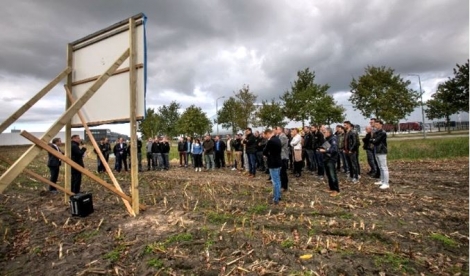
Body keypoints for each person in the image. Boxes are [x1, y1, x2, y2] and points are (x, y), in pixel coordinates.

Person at [318, 127, 340, 197]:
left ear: (329, 132)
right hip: (326, 159)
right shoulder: (328, 139)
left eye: (325, 132)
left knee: (332, 175)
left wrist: (324, 151)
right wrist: (320, 148)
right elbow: (324, 146)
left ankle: (336, 190)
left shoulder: (333, 139)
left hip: (331, 159)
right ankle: (331, 188)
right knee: (328, 174)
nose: (324, 134)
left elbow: (334, 150)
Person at [263, 129, 282, 205]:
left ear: (268, 133)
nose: (265, 136)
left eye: (265, 134)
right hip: (278, 161)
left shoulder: (270, 141)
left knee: (275, 181)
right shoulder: (277, 139)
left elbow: (265, 151)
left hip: (273, 162)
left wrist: (267, 154)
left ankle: (276, 198)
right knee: (278, 180)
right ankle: (278, 195)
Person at [371, 120, 389, 189]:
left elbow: (375, 141)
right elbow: (372, 139)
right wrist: (373, 140)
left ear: (381, 125)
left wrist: (373, 140)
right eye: (375, 124)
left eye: (377, 124)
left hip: (381, 151)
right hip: (377, 151)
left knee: (384, 167)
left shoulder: (382, 133)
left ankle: (386, 183)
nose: (376, 125)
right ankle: (382, 180)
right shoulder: (376, 132)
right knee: (380, 167)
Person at [276, 126, 289, 191]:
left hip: (283, 156)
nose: (276, 130)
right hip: (280, 156)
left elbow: (278, 145)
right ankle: (282, 185)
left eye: (277, 129)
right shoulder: (279, 136)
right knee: (280, 172)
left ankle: (284, 186)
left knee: (283, 172)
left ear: (281, 130)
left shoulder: (283, 137)